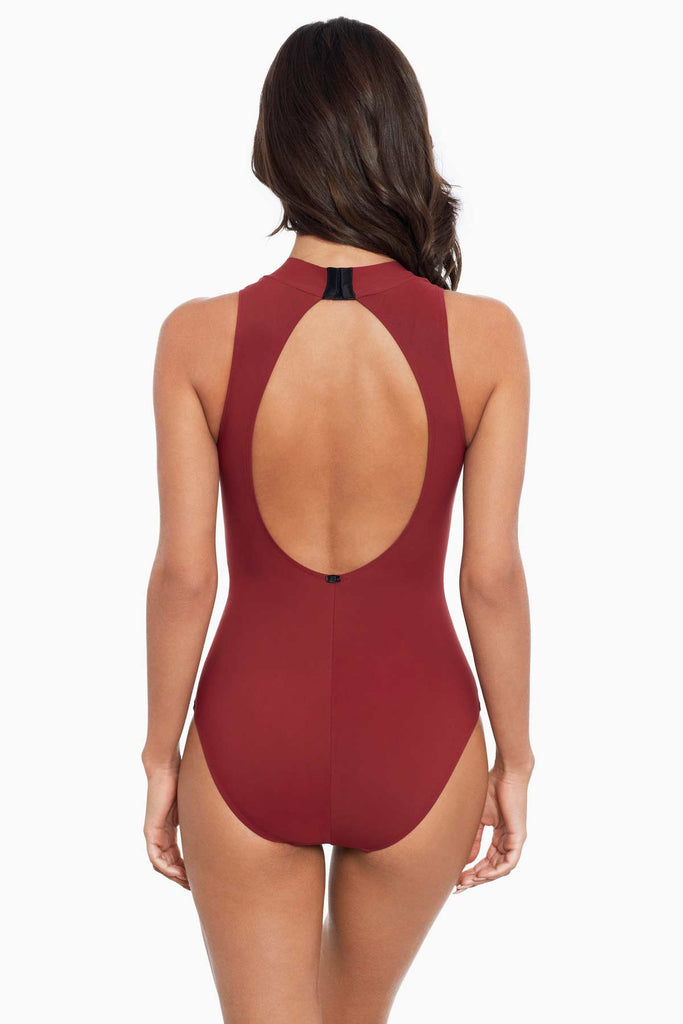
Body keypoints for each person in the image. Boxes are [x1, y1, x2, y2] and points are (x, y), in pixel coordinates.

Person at [142, 16, 533, 1024]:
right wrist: (515, 756)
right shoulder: (485, 338)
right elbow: (488, 576)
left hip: (246, 730)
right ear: (402, 140)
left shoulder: (197, 337)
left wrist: (158, 755)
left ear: (274, 147)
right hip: (420, 736)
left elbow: (186, 574)